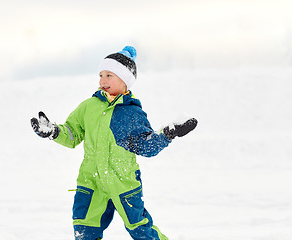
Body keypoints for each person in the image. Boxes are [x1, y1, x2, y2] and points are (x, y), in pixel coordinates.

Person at [30, 46, 197, 240]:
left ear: (124, 79)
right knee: (84, 230)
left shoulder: (131, 113)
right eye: (101, 75)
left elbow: (146, 146)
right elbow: (72, 133)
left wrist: (169, 133)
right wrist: (53, 131)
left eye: (109, 75)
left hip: (123, 182)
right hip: (90, 181)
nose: (102, 80)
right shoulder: (89, 106)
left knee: (139, 229)